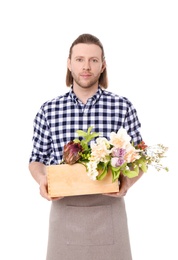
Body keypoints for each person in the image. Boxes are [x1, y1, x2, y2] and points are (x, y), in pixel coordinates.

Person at [29, 33, 144, 260]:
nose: (86, 66)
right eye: (80, 59)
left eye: (93, 60)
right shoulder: (48, 110)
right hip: (64, 211)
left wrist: (128, 182)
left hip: (110, 210)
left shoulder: (122, 106)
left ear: (102, 66)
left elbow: (140, 155)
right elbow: (36, 158)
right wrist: (42, 179)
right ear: (69, 64)